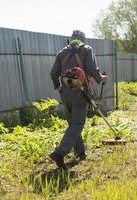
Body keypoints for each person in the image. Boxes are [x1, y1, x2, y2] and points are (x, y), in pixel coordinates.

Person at [50, 30, 108, 168]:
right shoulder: (87, 49)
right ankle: (59, 153)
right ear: (83, 39)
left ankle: (80, 152)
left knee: (73, 124)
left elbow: (53, 73)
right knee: (77, 124)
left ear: (71, 39)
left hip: (65, 92)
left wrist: (57, 86)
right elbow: (92, 69)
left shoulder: (62, 52)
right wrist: (101, 78)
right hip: (80, 91)